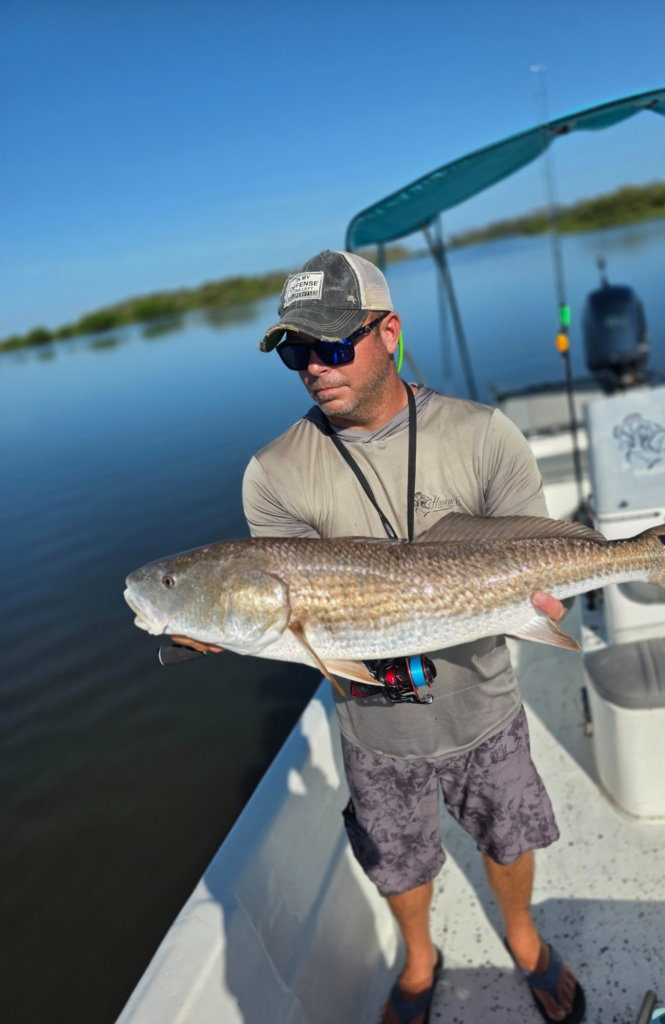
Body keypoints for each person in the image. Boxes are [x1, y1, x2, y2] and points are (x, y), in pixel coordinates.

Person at [174, 249, 585, 1024]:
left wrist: (547, 599)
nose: (313, 369)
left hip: (484, 704)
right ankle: (420, 962)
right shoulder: (274, 473)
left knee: (508, 836)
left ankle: (525, 940)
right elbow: (292, 608)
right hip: (372, 725)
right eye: (296, 352)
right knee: (398, 863)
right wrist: (224, 621)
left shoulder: (484, 434)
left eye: (332, 346)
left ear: (388, 332)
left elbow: (538, 557)